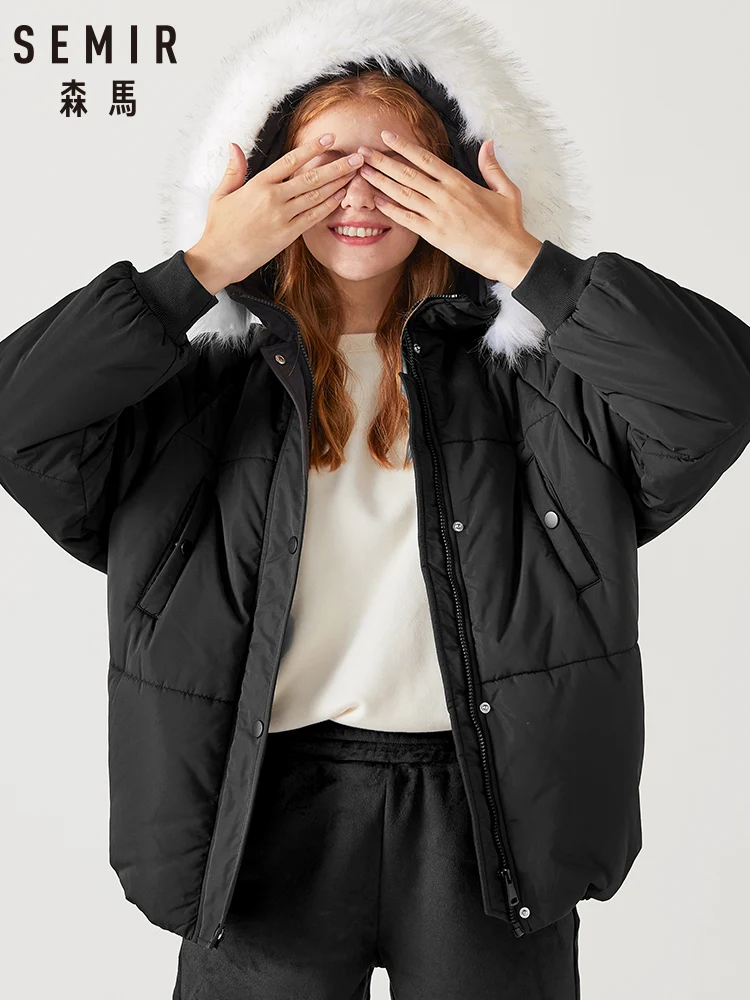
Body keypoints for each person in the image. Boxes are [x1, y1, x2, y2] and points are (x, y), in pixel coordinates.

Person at [1, 0, 749, 997]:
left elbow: (714, 398)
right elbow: (19, 418)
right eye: (321, 165)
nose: (358, 194)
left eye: (398, 166)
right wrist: (201, 268)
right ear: (265, 179)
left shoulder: (537, 382)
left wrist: (523, 263)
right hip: (257, 805)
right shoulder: (196, 385)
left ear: (461, 176)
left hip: (492, 805)